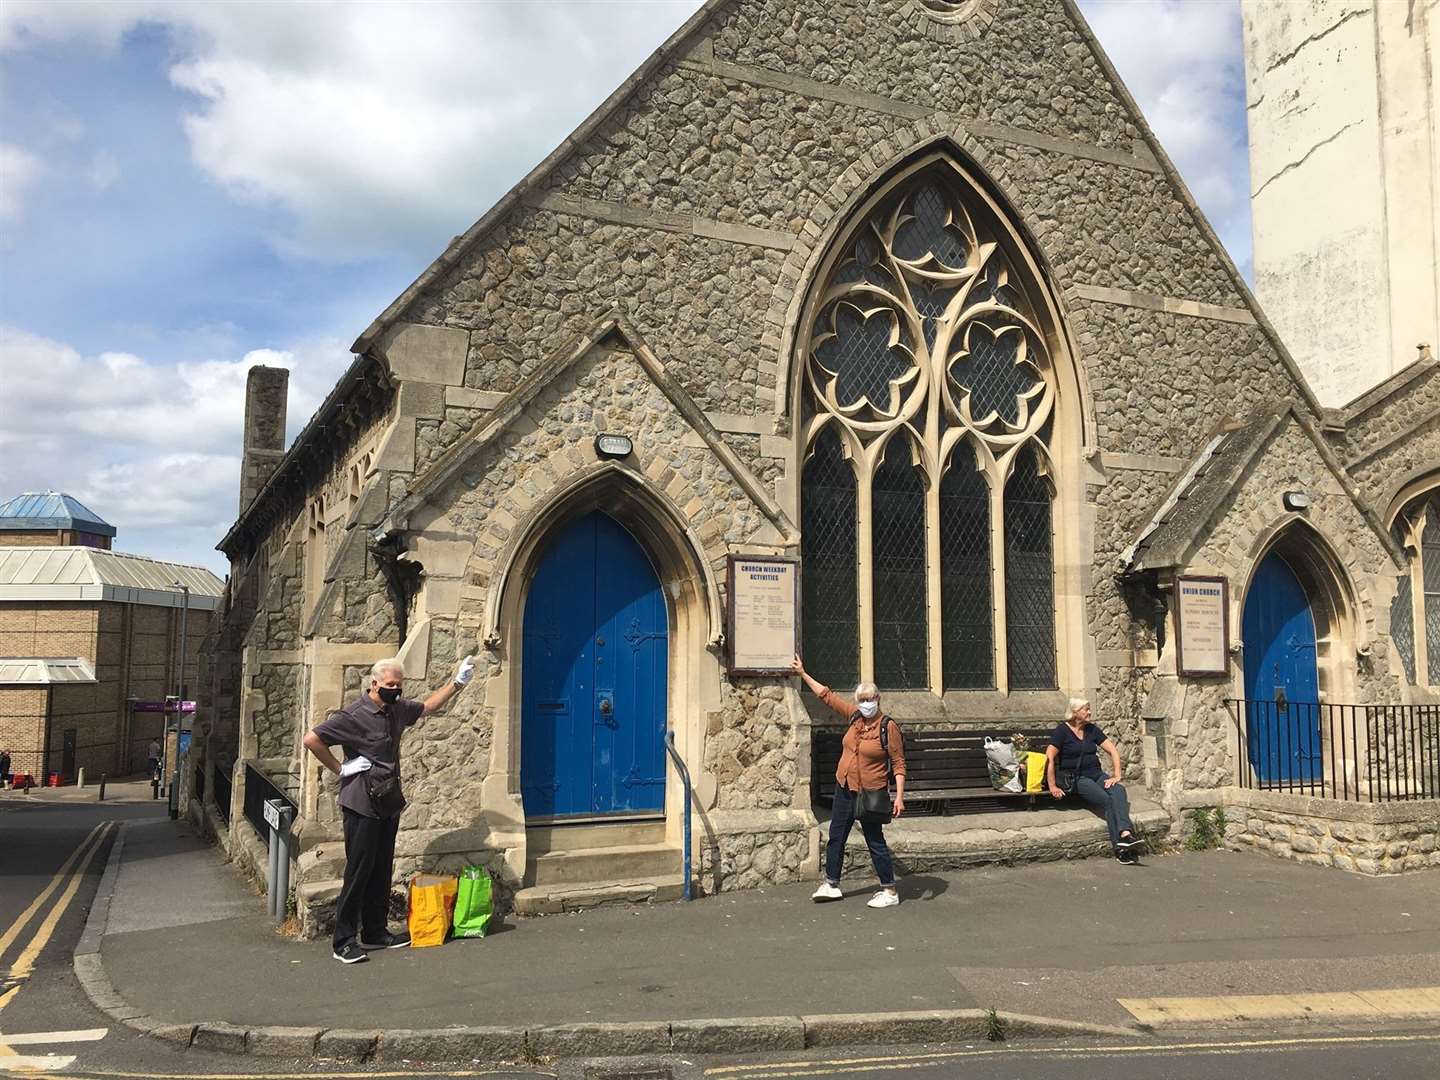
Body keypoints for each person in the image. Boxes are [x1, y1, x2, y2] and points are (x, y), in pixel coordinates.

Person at [303, 654, 476, 964]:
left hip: (387, 800)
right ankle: (343, 941)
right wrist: (340, 768)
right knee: (358, 871)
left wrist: (456, 683)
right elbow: (312, 739)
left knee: (381, 868)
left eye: (399, 684)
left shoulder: (396, 709)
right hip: (360, 804)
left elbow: (427, 707)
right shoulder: (354, 715)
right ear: (374, 684)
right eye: (390, 685)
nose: (396, 689)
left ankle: (375, 930)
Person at [791, 655, 906, 908]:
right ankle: (831, 883)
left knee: (874, 840)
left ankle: (890, 890)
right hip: (844, 787)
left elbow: (898, 763)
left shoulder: (888, 727)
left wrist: (898, 796)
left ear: (878, 699)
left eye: (870, 699)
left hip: (870, 793)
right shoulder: (854, 717)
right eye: (862, 700)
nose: (866, 704)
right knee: (836, 836)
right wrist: (803, 673)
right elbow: (827, 697)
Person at [1045, 698, 1143, 863]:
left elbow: (1112, 750)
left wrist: (1116, 775)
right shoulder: (1062, 731)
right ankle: (1120, 848)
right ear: (1075, 712)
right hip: (1078, 778)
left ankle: (1126, 834)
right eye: (1086, 709)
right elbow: (1049, 757)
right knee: (1106, 800)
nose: (1089, 712)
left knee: (1118, 790)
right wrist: (1052, 785)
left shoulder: (1092, 730)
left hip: (1096, 774)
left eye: (1089, 709)